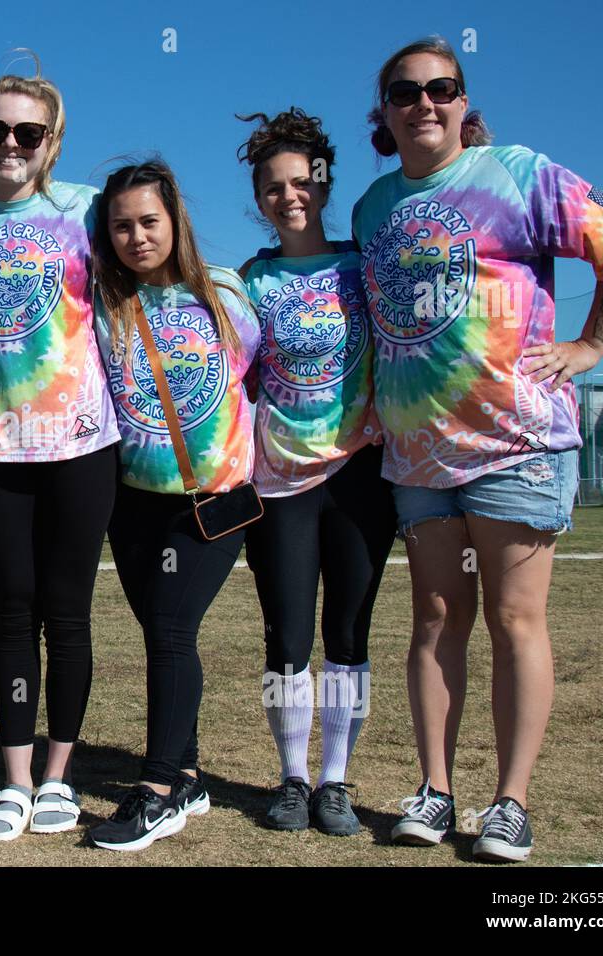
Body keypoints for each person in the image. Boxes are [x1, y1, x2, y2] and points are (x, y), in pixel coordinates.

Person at [354, 37, 603, 862]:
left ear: (462, 101)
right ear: (382, 112)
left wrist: (592, 347)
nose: (424, 103)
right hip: (418, 459)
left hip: (515, 444)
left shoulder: (515, 172)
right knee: (434, 618)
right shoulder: (372, 208)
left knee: (515, 617)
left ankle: (510, 803)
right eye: (405, 92)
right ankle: (434, 790)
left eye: (441, 89)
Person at [0, 69, 121, 841]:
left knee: (67, 614)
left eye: (27, 133)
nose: (9, 145)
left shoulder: (86, 210)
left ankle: (58, 778)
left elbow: (157, 278)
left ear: (53, 140)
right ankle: (13, 781)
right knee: (13, 613)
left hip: (84, 444)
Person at [88, 160, 259, 851]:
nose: (136, 236)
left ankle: (156, 790)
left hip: (208, 504)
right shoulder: (106, 305)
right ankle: (188, 775)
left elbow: (271, 378)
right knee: (161, 632)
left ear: (175, 220)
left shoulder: (227, 294)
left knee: (169, 632)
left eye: (148, 221)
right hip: (131, 504)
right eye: (122, 225)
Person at [235, 109, 394, 836]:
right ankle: (293, 778)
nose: (289, 196)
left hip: (362, 476)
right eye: (273, 187)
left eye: (301, 182)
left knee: (349, 634)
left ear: (324, 183)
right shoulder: (250, 279)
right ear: (258, 197)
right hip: (278, 483)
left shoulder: (364, 262)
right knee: (287, 638)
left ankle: (336, 781)